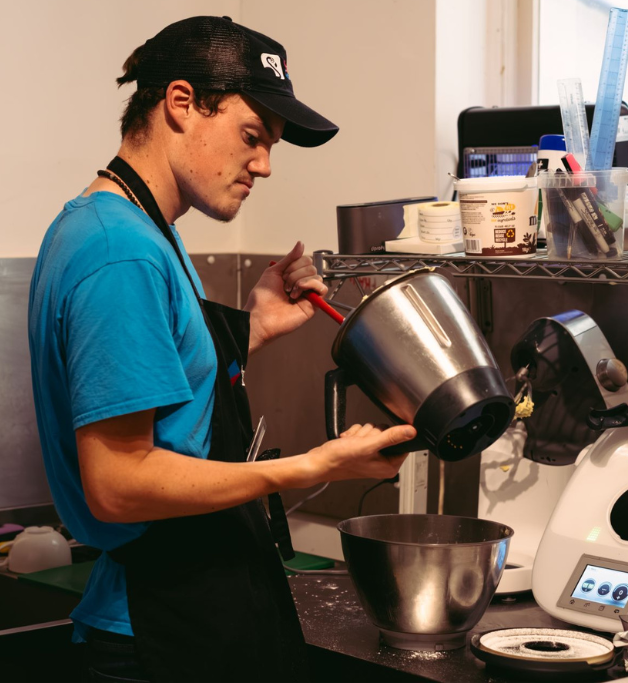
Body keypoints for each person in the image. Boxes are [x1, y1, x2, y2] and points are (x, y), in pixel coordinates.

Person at [28, 15, 417, 682]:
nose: (264, 164)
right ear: (180, 103)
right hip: (157, 625)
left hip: (192, 603)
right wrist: (310, 464)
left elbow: (164, 387)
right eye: (250, 137)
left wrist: (254, 327)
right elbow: (118, 485)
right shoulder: (119, 250)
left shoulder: (145, 228)